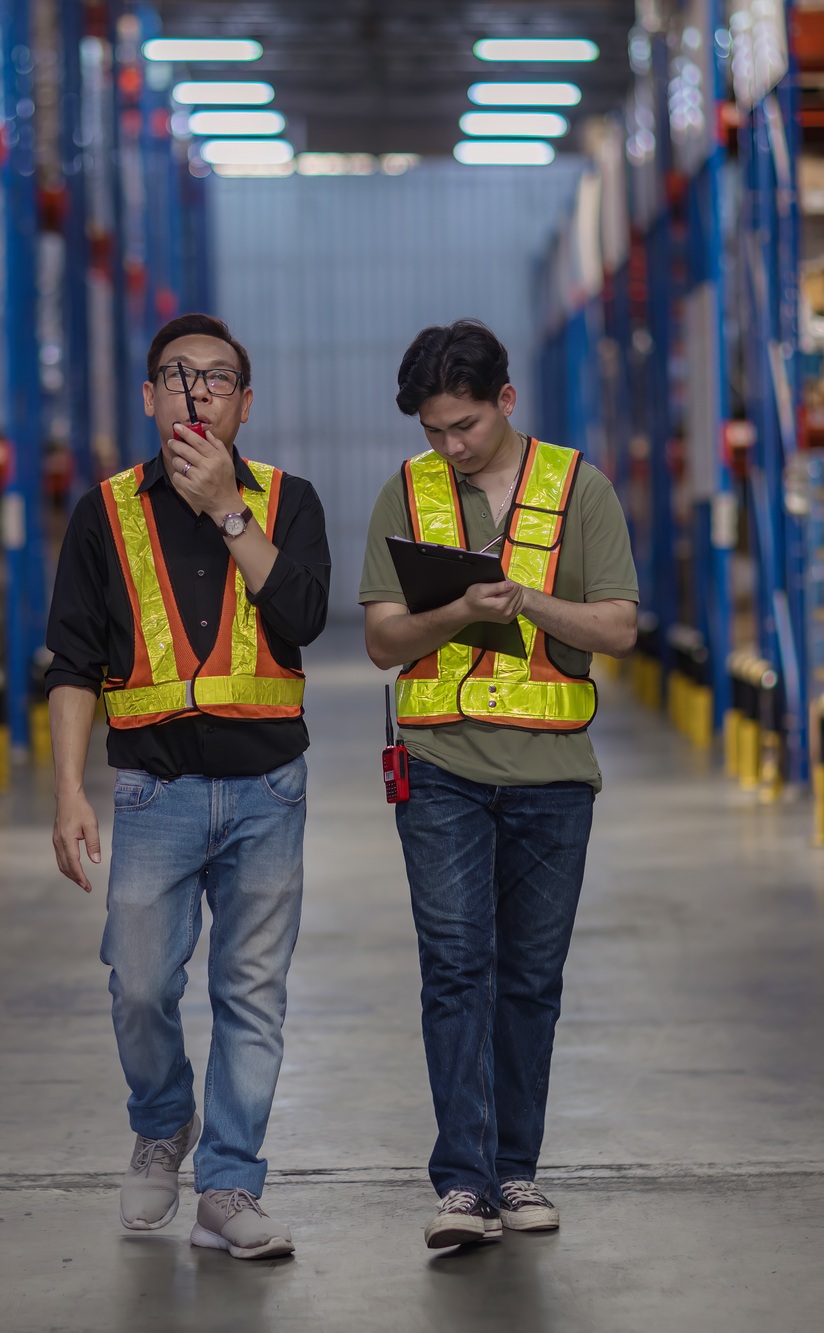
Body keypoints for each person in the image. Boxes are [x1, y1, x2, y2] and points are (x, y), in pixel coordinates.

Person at [45, 313, 330, 1260]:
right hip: (153, 792)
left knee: (252, 991)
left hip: (266, 791)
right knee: (137, 982)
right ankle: (163, 1123)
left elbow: (300, 616)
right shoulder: (105, 513)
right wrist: (69, 791)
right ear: (148, 398)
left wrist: (227, 511)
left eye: (216, 379)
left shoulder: (289, 502)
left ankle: (231, 1186)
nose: (196, 393)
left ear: (245, 404)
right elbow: (74, 662)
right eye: (177, 377)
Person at [359, 319, 639, 1250]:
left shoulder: (579, 489)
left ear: (506, 401)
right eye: (436, 429)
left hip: (554, 777)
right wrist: (452, 612)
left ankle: (517, 1169)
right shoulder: (407, 492)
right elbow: (381, 642)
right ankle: (465, 1184)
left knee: (529, 979)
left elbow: (618, 628)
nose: (450, 445)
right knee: (456, 971)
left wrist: (524, 600)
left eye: (466, 424)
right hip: (440, 768)